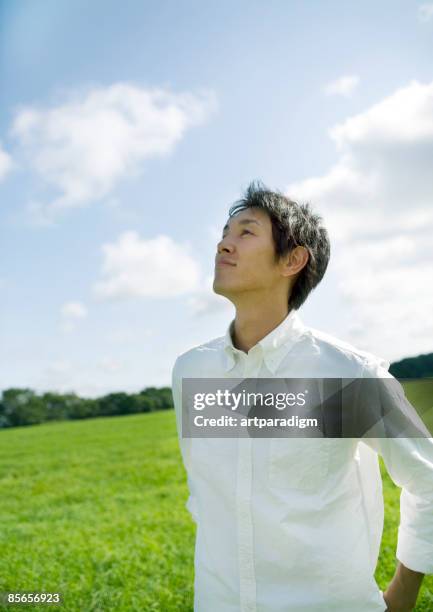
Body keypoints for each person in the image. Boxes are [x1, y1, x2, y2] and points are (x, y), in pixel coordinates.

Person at [171, 181, 433, 611]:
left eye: (246, 232)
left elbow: (427, 478)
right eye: (224, 232)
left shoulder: (348, 373)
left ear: (293, 259)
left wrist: (402, 596)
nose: (224, 244)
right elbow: (205, 496)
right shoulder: (191, 371)